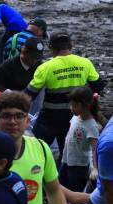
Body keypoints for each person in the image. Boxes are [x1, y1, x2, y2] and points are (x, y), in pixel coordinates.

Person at [26, 32, 106, 162]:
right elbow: (98, 85)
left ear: (51, 48)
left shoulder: (45, 67)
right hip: (75, 118)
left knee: (36, 149)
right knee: (67, 154)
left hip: (49, 119)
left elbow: (29, 95)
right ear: (71, 46)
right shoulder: (85, 63)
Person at [60, 87, 102, 192]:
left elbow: (95, 148)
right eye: (71, 105)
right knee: (61, 184)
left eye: (74, 106)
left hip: (79, 165)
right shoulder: (75, 117)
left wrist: (95, 168)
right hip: (66, 159)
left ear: (86, 106)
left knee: (75, 189)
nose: (71, 108)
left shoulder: (91, 126)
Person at [0, 1, 27, 79]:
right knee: (18, 52)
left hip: (13, 28)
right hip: (24, 30)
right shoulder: (11, 9)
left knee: (0, 52)